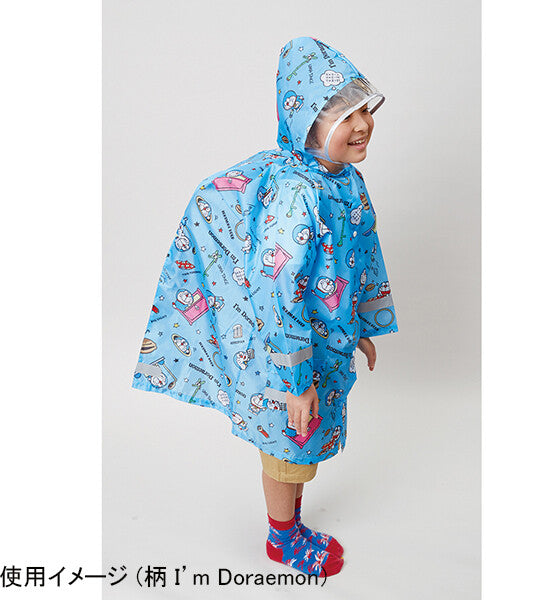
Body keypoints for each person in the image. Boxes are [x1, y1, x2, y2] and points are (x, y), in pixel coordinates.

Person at [132, 36, 398, 578]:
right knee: (286, 448)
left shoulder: (346, 181)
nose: (362, 125)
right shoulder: (297, 194)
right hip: (287, 355)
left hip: (323, 343)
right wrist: (295, 377)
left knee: (302, 447)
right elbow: (275, 288)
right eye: (343, 116)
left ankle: (291, 521)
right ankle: (282, 538)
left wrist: (362, 325)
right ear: (303, 125)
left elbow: (361, 251)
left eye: (363, 109)